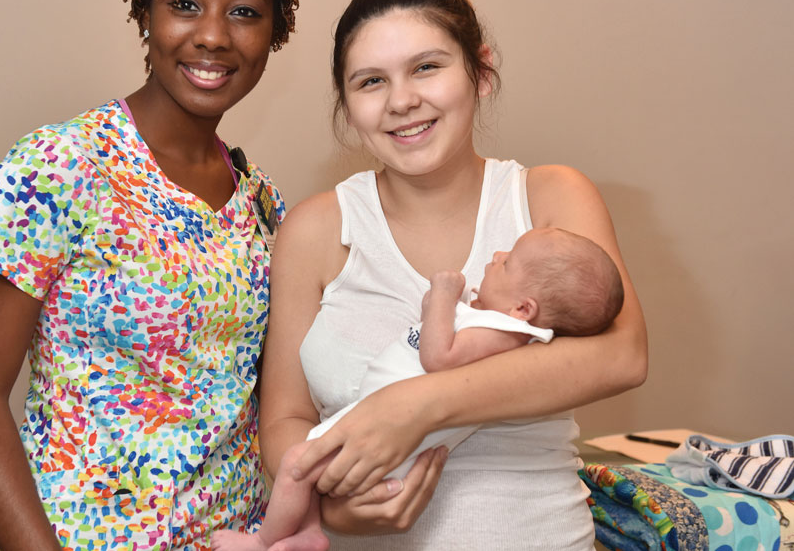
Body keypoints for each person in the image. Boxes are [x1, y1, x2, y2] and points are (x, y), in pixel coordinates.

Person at [258, 0, 647, 550]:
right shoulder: (314, 229)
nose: (401, 101)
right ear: (348, 106)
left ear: (481, 72)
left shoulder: (547, 200)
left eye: (426, 67)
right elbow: (284, 420)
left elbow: (622, 356)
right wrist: (335, 506)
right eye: (371, 81)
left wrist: (417, 406)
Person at [0, 0, 299, 550]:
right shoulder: (59, 166)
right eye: (185, 3)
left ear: (275, 33)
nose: (213, 35)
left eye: (244, 11)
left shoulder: (263, 205)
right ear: (145, 13)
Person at [211, 227, 624, 551]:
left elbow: (438, 357)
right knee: (305, 472)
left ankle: (264, 541)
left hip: (389, 443)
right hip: (375, 430)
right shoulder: (493, 322)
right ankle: (309, 531)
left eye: (508, 262)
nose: (497, 255)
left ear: (523, 309)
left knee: (296, 465)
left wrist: (442, 295)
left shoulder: (503, 331)